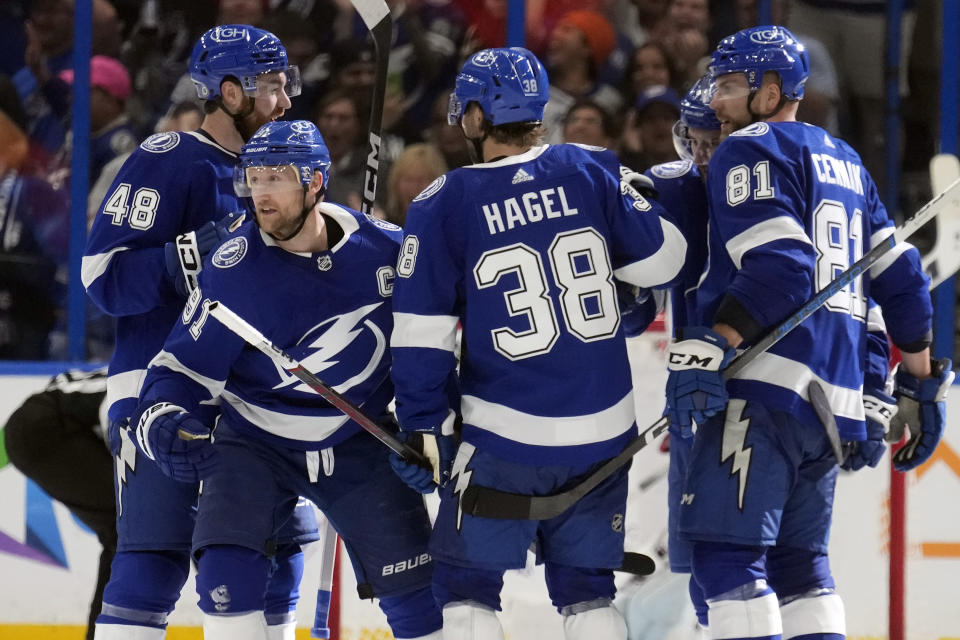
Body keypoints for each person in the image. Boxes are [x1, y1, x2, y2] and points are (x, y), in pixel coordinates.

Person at [388, 46, 688, 640]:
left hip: (503, 434)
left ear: (475, 118)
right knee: (589, 594)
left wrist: (425, 424)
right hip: (605, 432)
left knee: (466, 588)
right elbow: (664, 261)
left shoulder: (444, 201)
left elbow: (421, 335)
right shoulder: (592, 168)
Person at [664, 25, 952, 640]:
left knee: (724, 557)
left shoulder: (748, 148)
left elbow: (782, 269)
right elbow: (902, 282)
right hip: (833, 406)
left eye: (732, 85)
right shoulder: (846, 161)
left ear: (772, 91)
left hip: (765, 390)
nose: (716, 101)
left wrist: (717, 340)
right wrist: (920, 384)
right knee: (800, 569)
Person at [131, 119, 442, 640]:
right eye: (254, 178)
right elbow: (179, 368)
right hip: (254, 439)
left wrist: (429, 433)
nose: (261, 193)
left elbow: (429, 355)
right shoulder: (232, 268)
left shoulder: (388, 255)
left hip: (360, 436)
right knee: (225, 582)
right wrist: (164, 417)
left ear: (316, 181)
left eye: (276, 177)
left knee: (420, 604)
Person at [82, 25, 319, 640]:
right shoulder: (173, 159)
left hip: (260, 404)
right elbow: (100, 275)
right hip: (162, 391)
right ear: (231, 91)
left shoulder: (288, 175)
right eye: (272, 87)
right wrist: (183, 258)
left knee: (275, 563)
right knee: (150, 568)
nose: (286, 101)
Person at [3, 368, 115, 640]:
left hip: (35, 418)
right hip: (45, 425)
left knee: (125, 530)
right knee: (128, 529)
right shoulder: (163, 380)